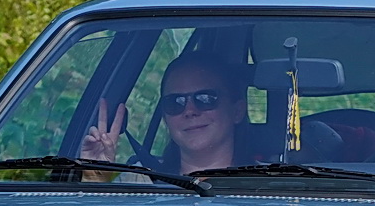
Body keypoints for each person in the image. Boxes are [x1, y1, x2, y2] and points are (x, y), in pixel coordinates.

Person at [79, 51, 253, 176]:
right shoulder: (137, 180)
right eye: (175, 103)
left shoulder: (271, 186)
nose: (190, 111)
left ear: (237, 111)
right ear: (165, 118)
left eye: (205, 98)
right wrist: (95, 174)